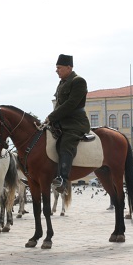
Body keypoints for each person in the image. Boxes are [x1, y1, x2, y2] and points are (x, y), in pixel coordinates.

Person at [45, 54, 92, 194]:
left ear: (68, 67)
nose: (56, 70)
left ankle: (63, 180)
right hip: (60, 122)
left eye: (59, 68)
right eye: (56, 68)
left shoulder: (78, 81)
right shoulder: (62, 83)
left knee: (65, 143)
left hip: (75, 123)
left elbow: (71, 104)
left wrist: (51, 117)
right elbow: (59, 104)